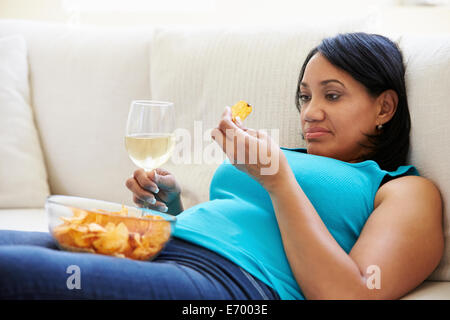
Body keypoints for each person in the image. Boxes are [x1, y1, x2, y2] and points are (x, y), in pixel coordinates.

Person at [0, 32, 443, 300]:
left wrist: (280, 183)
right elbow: (232, 222)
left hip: (227, 285)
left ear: (384, 107)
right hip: (146, 245)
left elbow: (350, 294)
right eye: (305, 96)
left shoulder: (403, 190)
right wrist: (169, 207)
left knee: (13, 273)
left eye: (332, 94)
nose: (308, 112)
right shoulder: (283, 158)